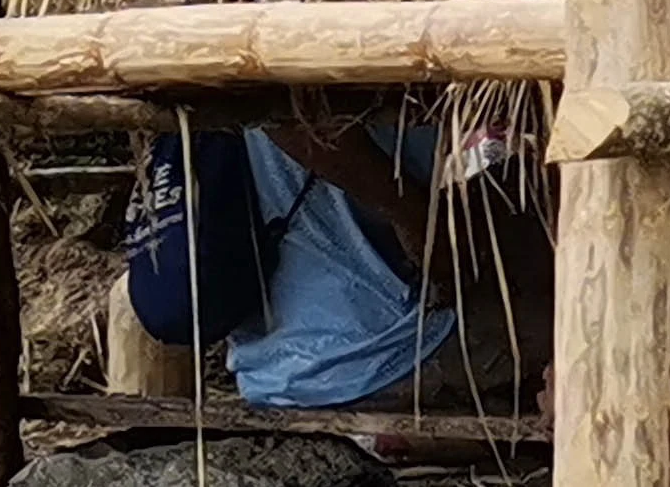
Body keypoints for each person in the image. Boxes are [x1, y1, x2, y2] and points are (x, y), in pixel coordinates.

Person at [124, 98, 452, 415]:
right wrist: (411, 214)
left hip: (273, 372)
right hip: (384, 353)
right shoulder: (292, 87)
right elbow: (286, 122)